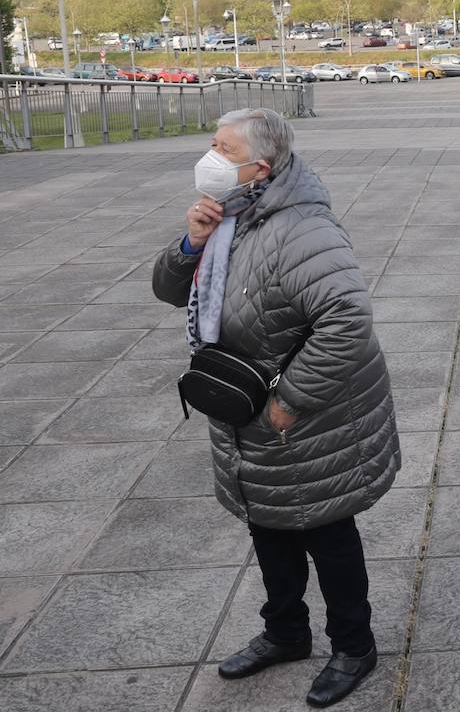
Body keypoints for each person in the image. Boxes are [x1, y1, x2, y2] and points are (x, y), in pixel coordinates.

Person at [151, 108, 399, 708]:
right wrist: (192, 242)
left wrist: (291, 401)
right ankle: (285, 632)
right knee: (267, 524)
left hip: (307, 417)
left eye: (222, 146)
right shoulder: (229, 216)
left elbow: (347, 321)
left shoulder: (303, 229)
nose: (209, 155)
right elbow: (167, 289)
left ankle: (353, 645)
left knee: (326, 530)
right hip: (245, 411)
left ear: (258, 168)